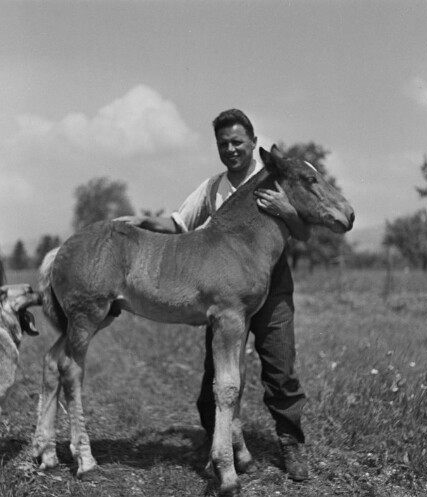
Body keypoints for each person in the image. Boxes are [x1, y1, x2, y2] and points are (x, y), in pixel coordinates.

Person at [121, 109, 310, 481]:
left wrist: (287, 209)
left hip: (271, 286)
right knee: (218, 373)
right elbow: (178, 222)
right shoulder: (213, 187)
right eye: (223, 144)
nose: (231, 149)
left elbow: (303, 231)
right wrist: (140, 222)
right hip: (224, 289)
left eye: (237, 142)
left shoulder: (274, 181)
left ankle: (291, 444)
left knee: (281, 370)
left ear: (254, 143)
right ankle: (220, 443)